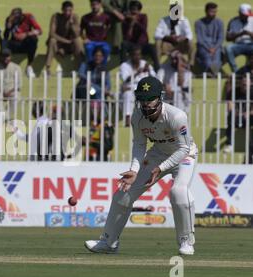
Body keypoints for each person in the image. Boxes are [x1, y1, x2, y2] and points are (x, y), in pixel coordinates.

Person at [85, 76, 198, 255]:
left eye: (150, 99)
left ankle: (186, 241)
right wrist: (134, 170)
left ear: (160, 97)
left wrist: (161, 168)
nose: (146, 104)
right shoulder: (137, 117)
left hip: (184, 155)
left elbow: (183, 148)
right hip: (157, 154)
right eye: (142, 99)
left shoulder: (177, 116)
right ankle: (108, 242)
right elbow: (139, 144)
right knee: (124, 193)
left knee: (178, 192)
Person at [120, 46, 156, 127]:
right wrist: (137, 72)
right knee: (128, 94)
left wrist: (149, 70)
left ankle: (149, 120)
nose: (137, 57)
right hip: (130, 88)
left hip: (144, 89)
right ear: (130, 55)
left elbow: (154, 77)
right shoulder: (125, 65)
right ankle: (127, 118)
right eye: (134, 55)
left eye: (138, 55)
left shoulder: (145, 64)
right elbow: (125, 79)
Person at [45, 1, 83, 76]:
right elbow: (52, 34)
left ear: (72, 10)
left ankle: (79, 69)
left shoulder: (75, 17)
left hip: (70, 46)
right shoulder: (56, 16)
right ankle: (47, 68)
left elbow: (77, 34)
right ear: (62, 10)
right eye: (65, 10)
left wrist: (72, 24)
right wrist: (66, 41)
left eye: (70, 10)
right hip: (59, 44)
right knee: (52, 40)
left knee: (78, 40)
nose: (67, 13)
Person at [120, 0, 159, 71]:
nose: (134, 12)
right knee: (124, 44)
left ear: (139, 11)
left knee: (152, 48)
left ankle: (157, 69)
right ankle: (123, 67)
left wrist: (136, 22)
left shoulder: (143, 17)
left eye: (136, 10)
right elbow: (127, 37)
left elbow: (144, 30)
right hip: (132, 45)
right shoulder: (126, 20)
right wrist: (131, 25)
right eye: (132, 10)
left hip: (142, 44)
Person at [3, 8, 42, 78]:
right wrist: (8, 27)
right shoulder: (10, 19)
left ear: (21, 16)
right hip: (15, 44)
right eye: (14, 18)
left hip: (25, 44)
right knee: (4, 43)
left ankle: (29, 66)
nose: (15, 20)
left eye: (17, 18)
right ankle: (5, 66)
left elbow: (39, 31)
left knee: (33, 39)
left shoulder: (28, 17)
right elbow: (6, 36)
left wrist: (26, 34)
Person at [154, 2, 194, 66]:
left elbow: (190, 35)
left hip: (181, 44)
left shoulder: (185, 20)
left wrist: (182, 38)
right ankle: (157, 65)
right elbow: (156, 34)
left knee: (191, 43)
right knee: (158, 42)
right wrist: (168, 37)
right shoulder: (163, 20)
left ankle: (190, 64)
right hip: (168, 44)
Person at [222, 74, 253, 154]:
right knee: (230, 116)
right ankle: (229, 144)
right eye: (243, 84)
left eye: (246, 84)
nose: (244, 86)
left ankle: (251, 148)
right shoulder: (234, 91)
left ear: (251, 83)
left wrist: (248, 113)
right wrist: (237, 113)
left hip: (249, 118)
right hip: (237, 117)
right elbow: (230, 105)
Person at [0, 48, 22, 121]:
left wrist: (9, 92)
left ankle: (8, 117)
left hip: (12, 91)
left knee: (17, 96)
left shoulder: (16, 67)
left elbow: (19, 85)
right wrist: (1, 91)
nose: (5, 58)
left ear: (11, 57)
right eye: (3, 56)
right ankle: (6, 117)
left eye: (7, 56)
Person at [157, 50, 192, 115]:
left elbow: (181, 84)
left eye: (176, 59)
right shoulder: (164, 67)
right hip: (167, 97)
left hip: (181, 100)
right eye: (172, 59)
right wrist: (164, 85)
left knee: (178, 94)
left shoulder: (187, 71)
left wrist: (179, 66)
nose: (174, 61)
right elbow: (157, 81)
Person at [195, 2, 224, 75]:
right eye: (211, 11)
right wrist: (209, 48)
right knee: (207, 60)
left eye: (215, 11)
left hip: (216, 47)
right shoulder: (198, 23)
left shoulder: (219, 22)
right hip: (203, 47)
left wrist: (214, 48)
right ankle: (209, 73)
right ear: (206, 11)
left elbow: (220, 38)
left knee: (216, 61)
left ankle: (212, 73)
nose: (213, 13)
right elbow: (200, 39)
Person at [225, 4, 253, 72]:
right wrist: (240, 33)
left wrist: (249, 34)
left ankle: (248, 70)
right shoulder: (233, 21)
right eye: (245, 15)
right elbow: (228, 38)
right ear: (240, 13)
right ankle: (236, 71)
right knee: (228, 48)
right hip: (238, 44)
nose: (247, 17)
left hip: (251, 44)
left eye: (247, 15)